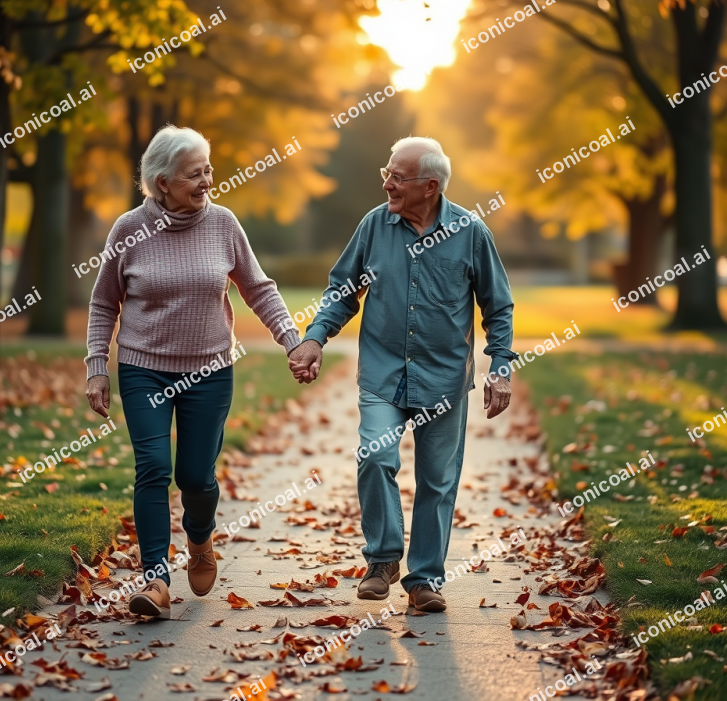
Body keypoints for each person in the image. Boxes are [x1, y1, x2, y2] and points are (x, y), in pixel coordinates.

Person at [288, 136, 516, 613]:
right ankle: (383, 559)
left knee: (437, 480)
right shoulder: (375, 225)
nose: (387, 183)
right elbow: (342, 290)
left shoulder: (471, 232)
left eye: (397, 176)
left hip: (444, 379)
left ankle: (425, 581)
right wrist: (314, 337)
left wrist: (501, 366)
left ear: (430, 186)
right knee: (375, 457)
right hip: (383, 372)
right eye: (385, 173)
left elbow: (498, 305)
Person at [85, 124, 301, 619]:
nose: (206, 181)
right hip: (143, 368)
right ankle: (155, 580)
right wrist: (98, 367)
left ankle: (200, 541)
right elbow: (103, 303)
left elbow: (258, 289)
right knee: (153, 469)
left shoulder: (224, 224)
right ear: (161, 182)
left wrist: (293, 341)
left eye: (208, 170)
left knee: (196, 477)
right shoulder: (127, 230)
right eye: (194, 174)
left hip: (209, 371)